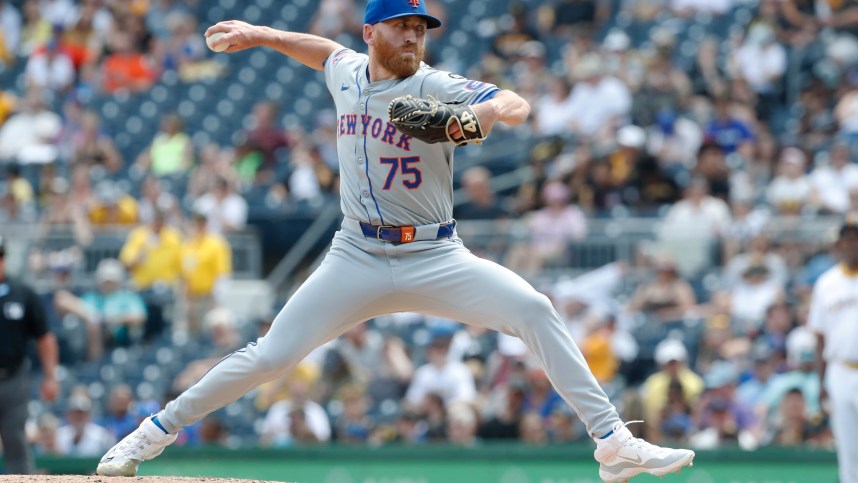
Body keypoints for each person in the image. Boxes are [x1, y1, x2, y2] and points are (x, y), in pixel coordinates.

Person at [96, 1, 695, 481]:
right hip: (356, 253)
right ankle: (152, 432)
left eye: (420, 28)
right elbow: (321, 50)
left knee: (534, 309)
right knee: (272, 357)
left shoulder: (435, 85)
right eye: (401, 27)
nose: (413, 37)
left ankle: (612, 441)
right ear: (371, 34)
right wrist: (259, 32)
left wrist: (481, 117)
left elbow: (513, 102)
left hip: (435, 254)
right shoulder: (347, 73)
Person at [0, 235, 59, 474]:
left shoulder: (23, 294)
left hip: (14, 378)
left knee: (15, 435)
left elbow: (44, 337)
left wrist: (50, 377)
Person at [809, 217, 858, 483]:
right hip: (840, 370)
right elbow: (820, 338)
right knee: (848, 449)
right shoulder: (826, 283)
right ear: (838, 245)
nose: (852, 244)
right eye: (847, 239)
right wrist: (821, 382)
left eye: (856, 238)